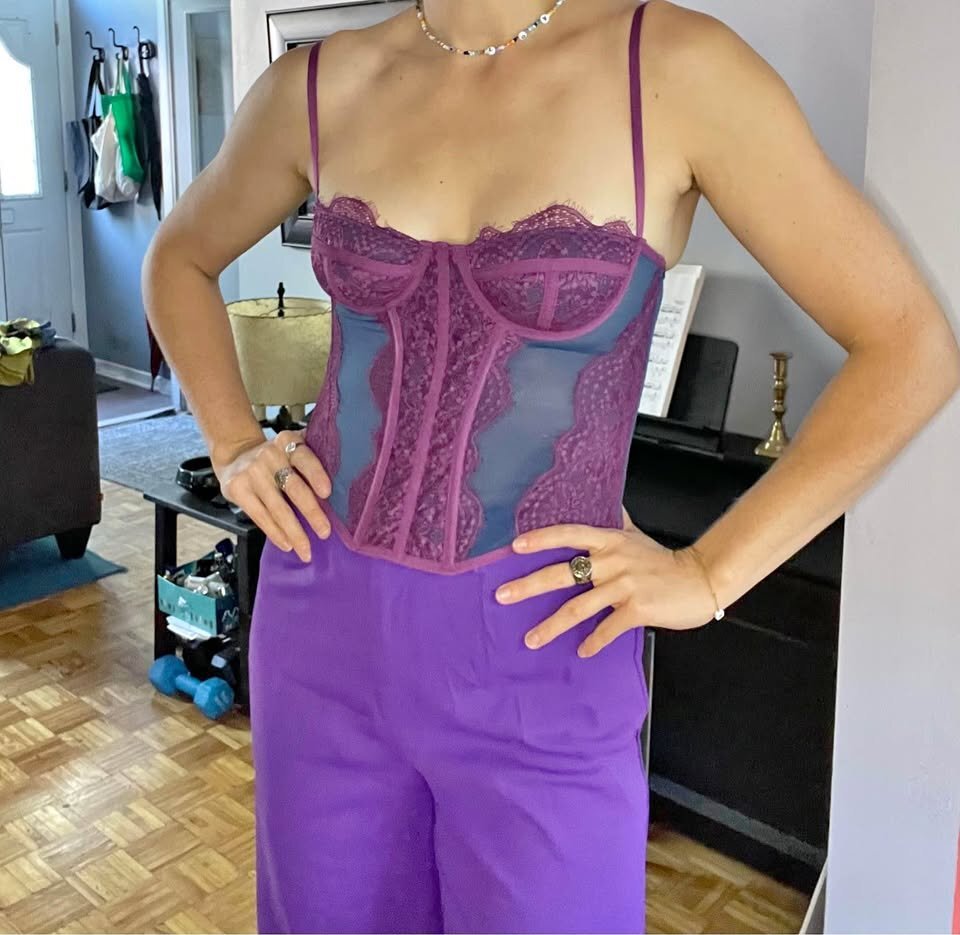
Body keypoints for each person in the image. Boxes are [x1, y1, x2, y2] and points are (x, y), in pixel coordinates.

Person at [141, 1, 960, 931]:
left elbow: (910, 347)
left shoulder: (677, 70)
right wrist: (233, 441)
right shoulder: (318, 84)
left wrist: (708, 571)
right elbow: (179, 257)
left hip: (543, 652)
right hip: (320, 636)